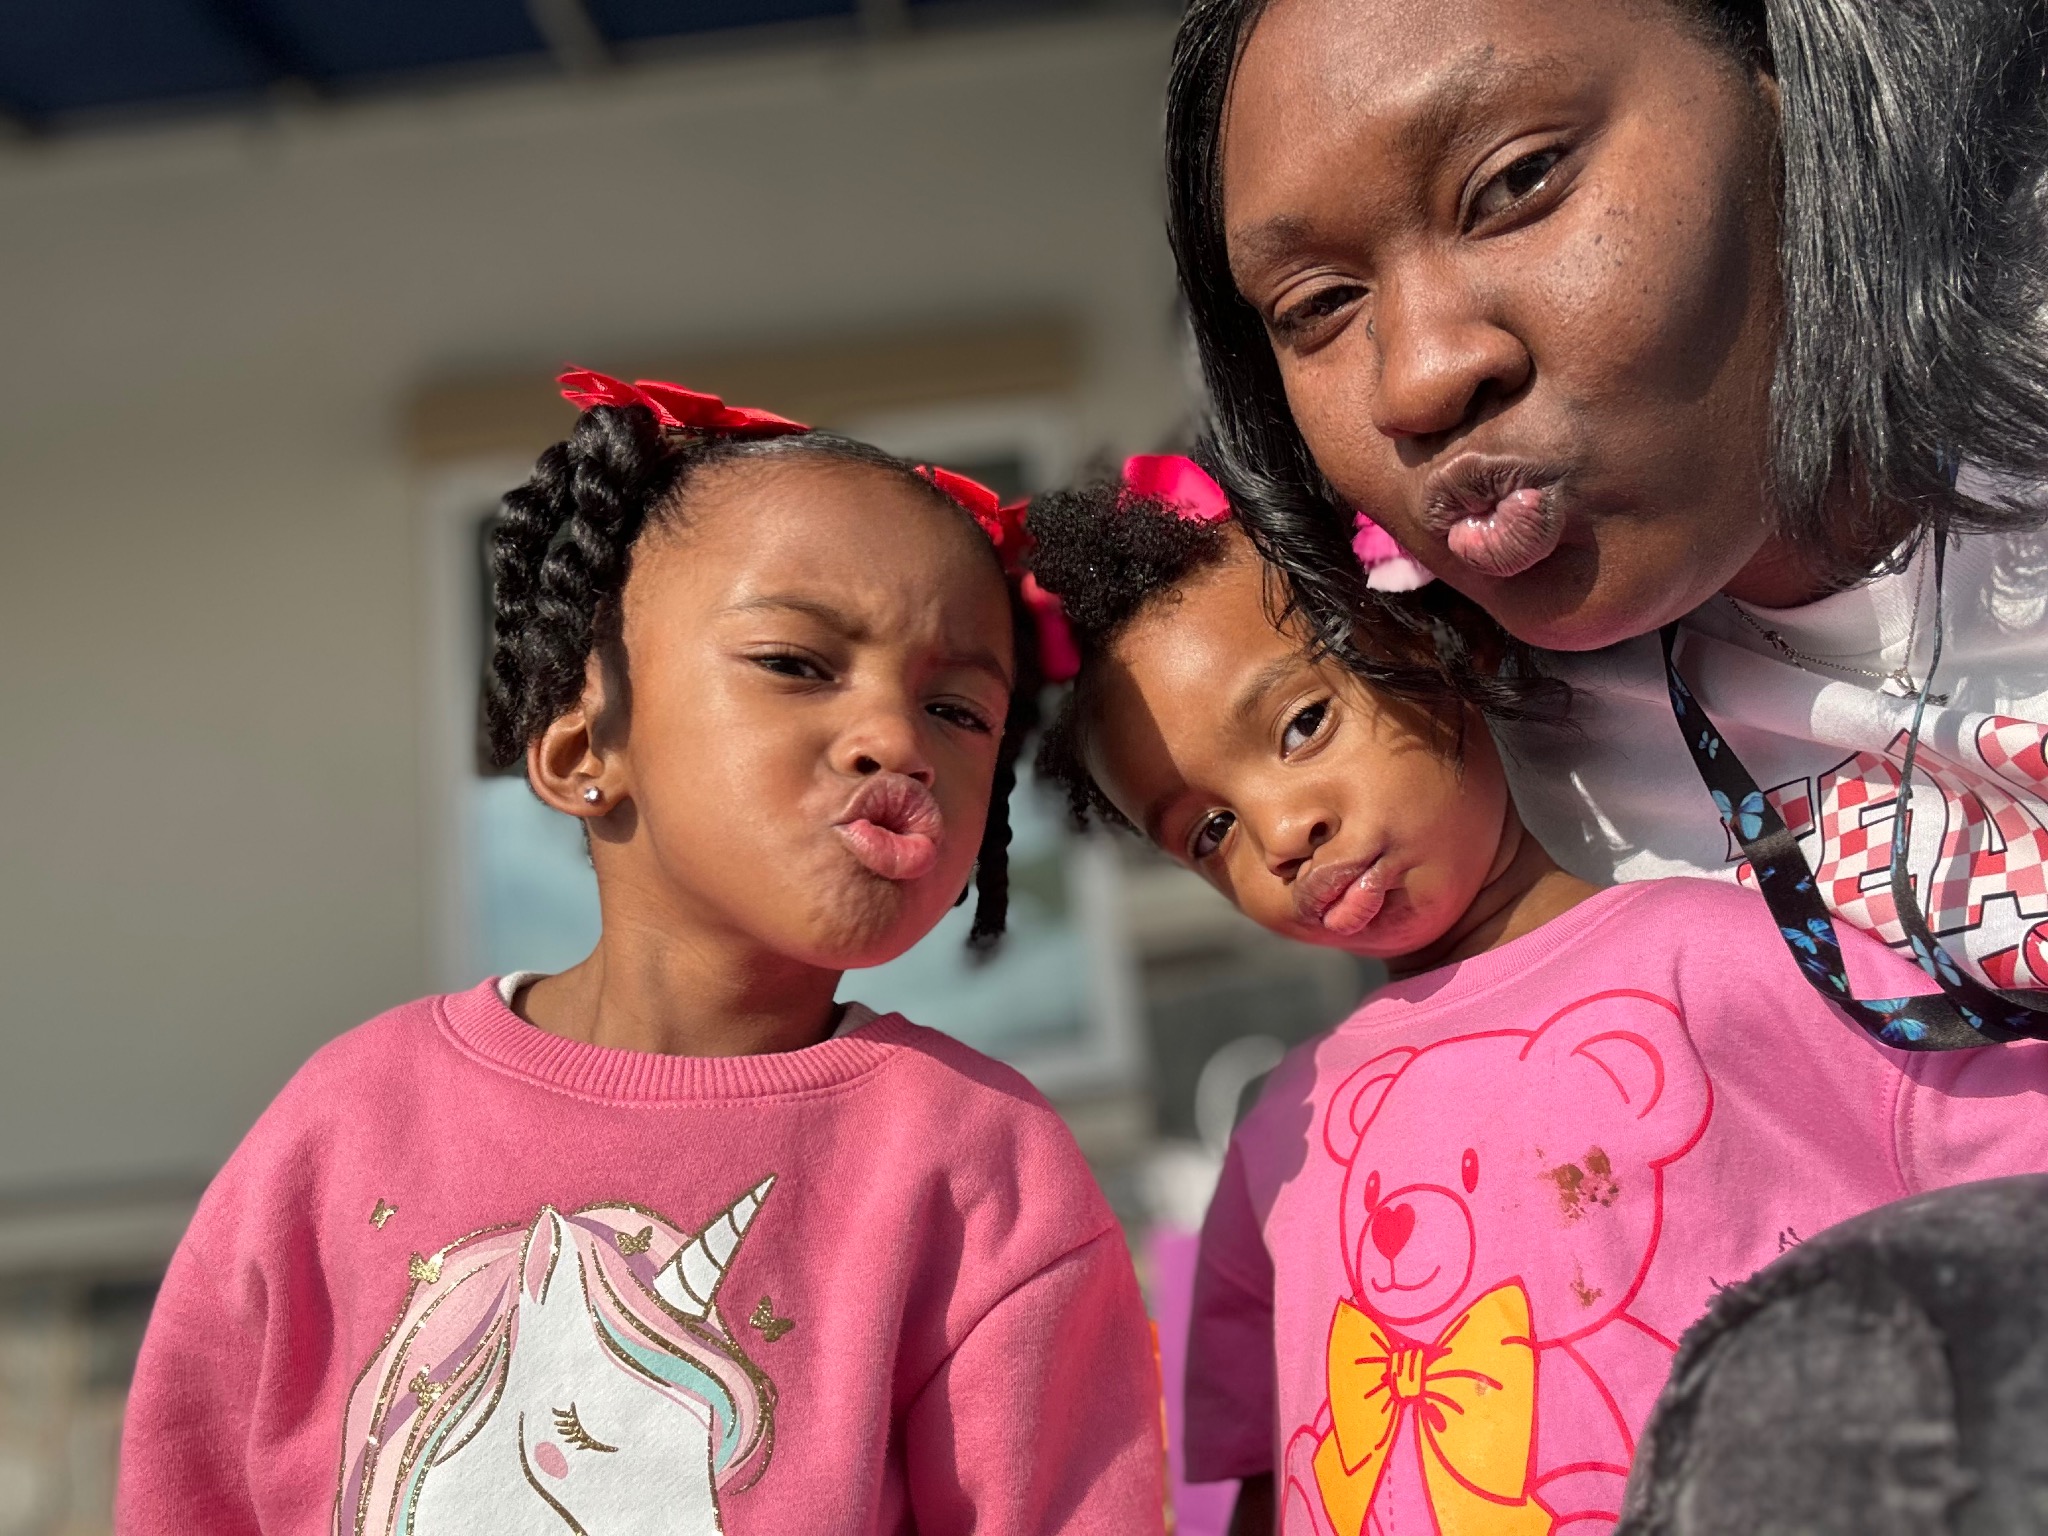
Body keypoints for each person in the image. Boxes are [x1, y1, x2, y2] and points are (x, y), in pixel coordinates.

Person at [116, 371, 1165, 1536]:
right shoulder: (345, 1124)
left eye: (959, 712)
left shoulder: (982, 1170)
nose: (893, 739)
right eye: (795, 663)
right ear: (581, 754)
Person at [1023, 456, 2048, 1535]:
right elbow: (1258, 1478)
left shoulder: (1708, 957)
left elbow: (1999, 1153)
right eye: (1209, 830)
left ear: (1438, 639)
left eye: (1301, 726)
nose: (1282, 835)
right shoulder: (1282, 1133)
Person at [1162, 0, 2048, 1010]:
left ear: (1782, 73)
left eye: (1515, 182)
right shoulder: (1498, 814)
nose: (1419, 379)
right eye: (1317, 305)